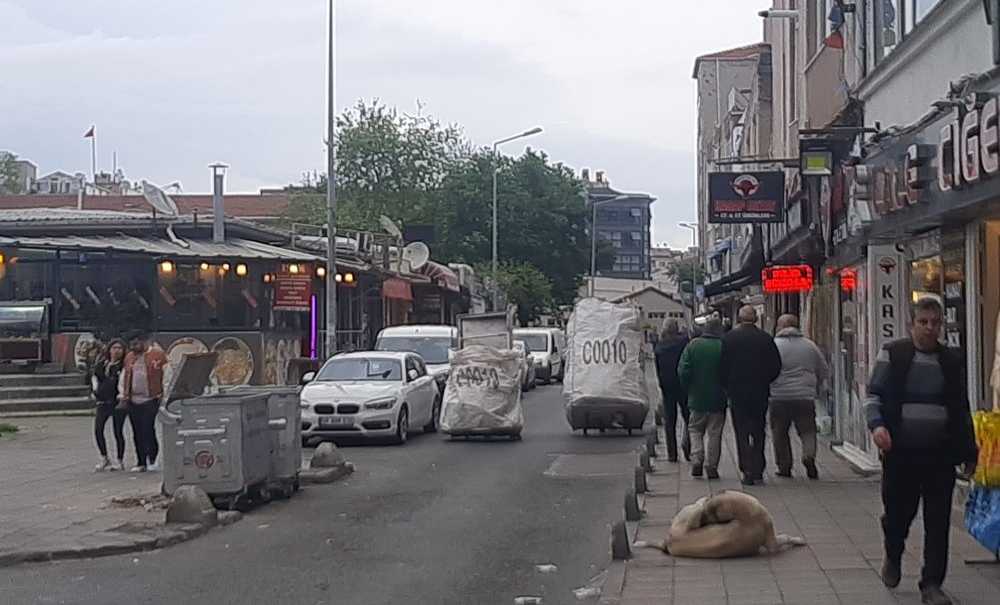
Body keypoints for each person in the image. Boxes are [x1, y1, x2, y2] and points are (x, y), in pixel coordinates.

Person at [865, 298, 977, 605]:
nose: (930, 329)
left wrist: (969, 450)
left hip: (939, 454)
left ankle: (932, 584)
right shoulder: (895, 353)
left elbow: (960, 407)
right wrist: (877, 426)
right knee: (899, 515)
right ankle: (894, 552)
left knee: (938, 520)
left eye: (935, 323)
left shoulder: (951, 359)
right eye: (923, 322)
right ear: (911, 324)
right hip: (901, 452)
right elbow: (873, 394)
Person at [720, 306, 782, 486]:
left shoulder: (729, 339)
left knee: (741, 431)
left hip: (737, 392)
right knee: (758, 430)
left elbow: (722, 366)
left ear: (739, 319)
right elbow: (776, 366)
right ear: (755, 319)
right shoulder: (765, 339)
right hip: (759, 391)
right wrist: (765, 380)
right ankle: (758, 468)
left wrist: (727, 386)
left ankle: (746, 468)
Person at [769, 314, 829, 480]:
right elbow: (823, 369)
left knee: (780, 433)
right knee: (808, 431)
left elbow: (766, 370)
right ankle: (808, 456)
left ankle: (784, 466)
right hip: (805, 397)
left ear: (780, 327)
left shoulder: (774, 345)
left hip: (779, 396)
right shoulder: (810, 346)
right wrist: (816, 386)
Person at [678, 317, 727, 479]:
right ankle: (712, 466)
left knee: (695, 430)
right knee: (715, 433)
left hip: (697, 397)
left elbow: (683, 371)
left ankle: (697, 459)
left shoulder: (693, 346)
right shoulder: (723, 346)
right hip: (718, 398)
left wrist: (689, 388)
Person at [120, 331, 168, 472]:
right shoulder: (129, 358)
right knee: (137, 431)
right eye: (131, 345)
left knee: (148, 429)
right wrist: (123, 395)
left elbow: (166, 374)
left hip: (151, 398)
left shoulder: (158, 355)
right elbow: (124, 376)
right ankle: (141, 461)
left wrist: (163, 395)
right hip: (133, 399)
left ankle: (152, 458)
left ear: (143, 342)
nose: (133, 347)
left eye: (136, 344)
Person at [654, 320, 690, 462]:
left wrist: (661, 384)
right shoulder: (683, 343)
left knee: (670, 420)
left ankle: (672, 454)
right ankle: (688, 446)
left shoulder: (659, 347)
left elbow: (657, 369)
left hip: (667, 387)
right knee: (688, 417)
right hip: (682, 385)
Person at [92, 338, 128, 472]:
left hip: (117, 401)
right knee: (98, 429)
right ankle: (104, 457)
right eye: (114, 348)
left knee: (117, 431)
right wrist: (95, 391)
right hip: (102, 402)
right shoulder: (102, 364)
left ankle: (119, 459)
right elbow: (95, 378)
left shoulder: (123, 366)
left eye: (119, 348)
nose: (116, 350)